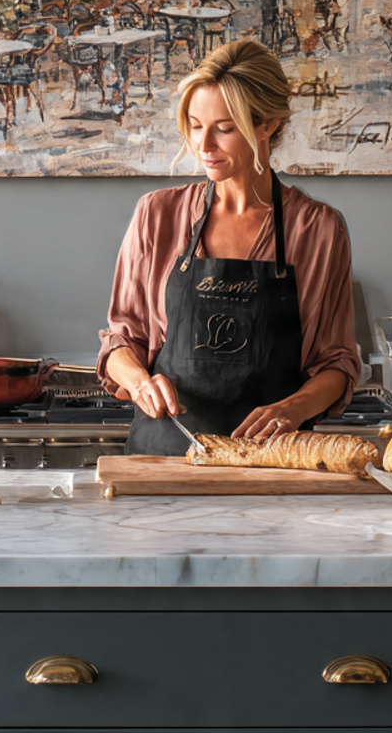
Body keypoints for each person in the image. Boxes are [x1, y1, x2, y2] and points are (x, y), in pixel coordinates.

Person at [97, 40, 359, 455]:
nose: (204, 145)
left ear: (268, 124)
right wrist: (140, 382)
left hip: (273, 461)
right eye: (195, 125)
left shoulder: (318, 229)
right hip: (165, 459)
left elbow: (336, 363)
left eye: (224, 128)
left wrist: (293, 408)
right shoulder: (157, 215)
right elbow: (121, 343)